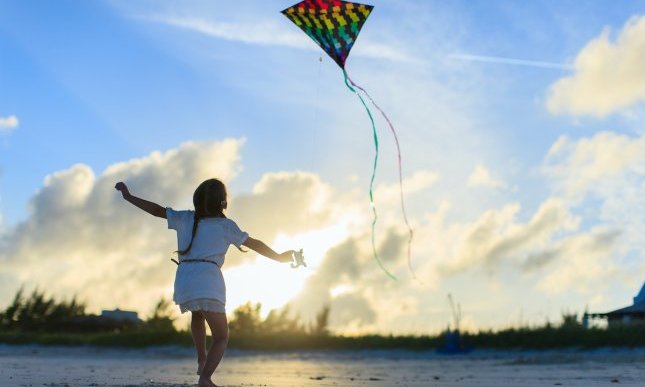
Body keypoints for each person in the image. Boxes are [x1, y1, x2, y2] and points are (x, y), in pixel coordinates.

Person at [115, 178, 295, 387]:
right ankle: (206, 378)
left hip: (185, 278)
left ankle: (201, 358)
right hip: (208, 278)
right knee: (221, 336)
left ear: (197, 200)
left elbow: (156, 210)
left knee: (198, 315)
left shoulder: (185, 218)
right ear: (223, 203)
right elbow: (254, 244)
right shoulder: (226, 226)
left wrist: (128, 197)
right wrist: (280, 257)